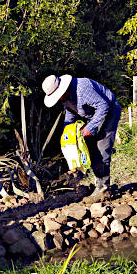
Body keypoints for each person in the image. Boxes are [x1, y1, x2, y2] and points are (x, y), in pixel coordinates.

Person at [42, 74, 121, 203]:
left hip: (110, 110)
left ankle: (103, 189)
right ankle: (99, 184)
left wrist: (90, 127)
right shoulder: (66, 97)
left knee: (101, 148)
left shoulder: (82, 88)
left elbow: (103, 106)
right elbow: (70, 114)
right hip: (93, 115)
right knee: (89, 148)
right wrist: (67, 133)